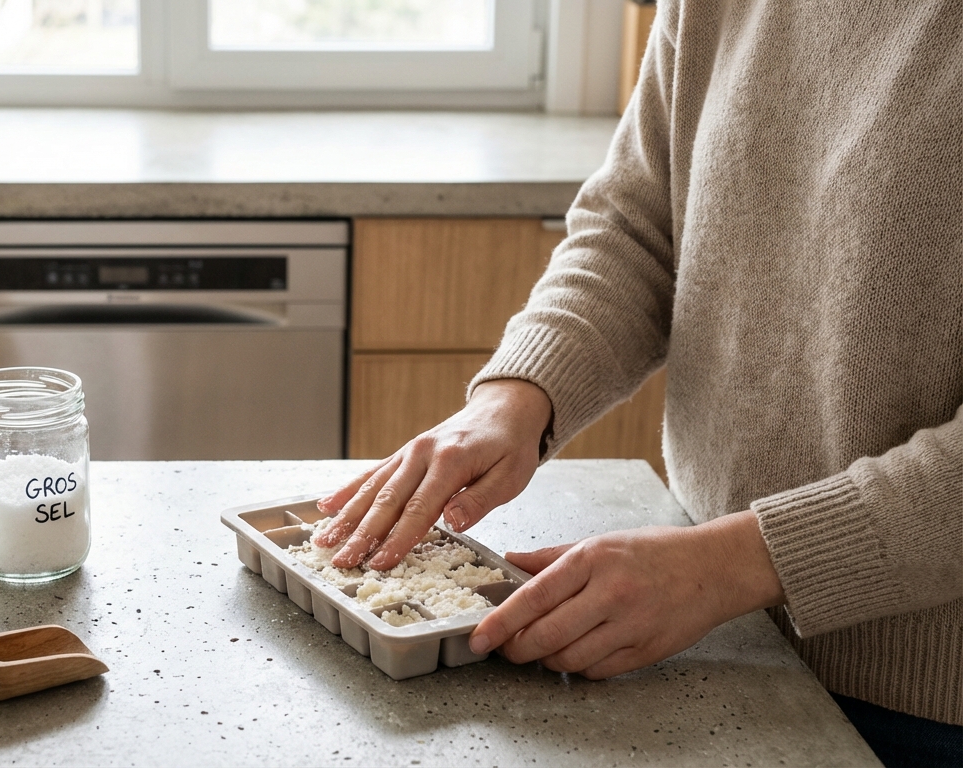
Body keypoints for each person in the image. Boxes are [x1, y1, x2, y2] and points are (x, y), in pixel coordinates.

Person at [313, 2, 963, 765]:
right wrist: (517, 396)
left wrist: (733, 565)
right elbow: (639, 223)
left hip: (923, 705)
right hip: (706, 625)